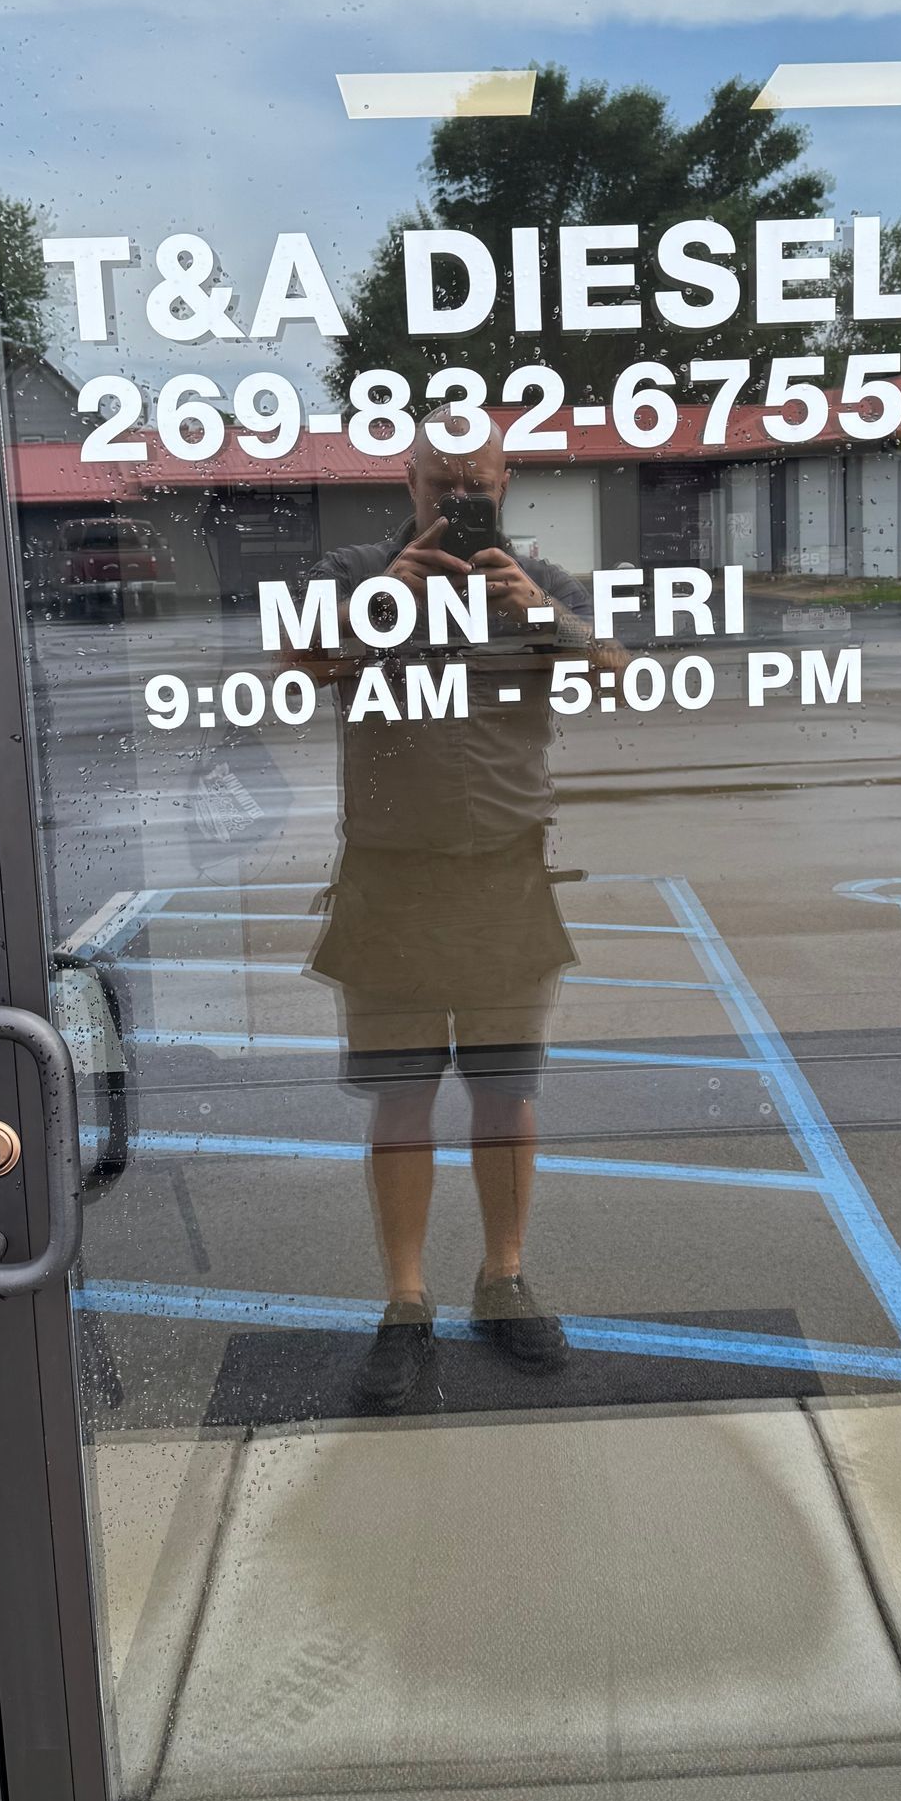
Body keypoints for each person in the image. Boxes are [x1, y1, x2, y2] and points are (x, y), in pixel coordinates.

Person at [303, 435, 620, 1412]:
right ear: (408, 481)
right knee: (402, 1100)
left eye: (476, 484)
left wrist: (545, 619)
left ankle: (504, 1280)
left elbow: (617, 672)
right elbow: (298, 664)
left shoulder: (537, 580)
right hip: (390, 879)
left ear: (504, 483)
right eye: (442, 483)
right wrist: (381, 599)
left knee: (505, 1093)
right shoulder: (356, 571)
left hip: (504, 876)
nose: (458, 499)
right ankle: (406, 1303)